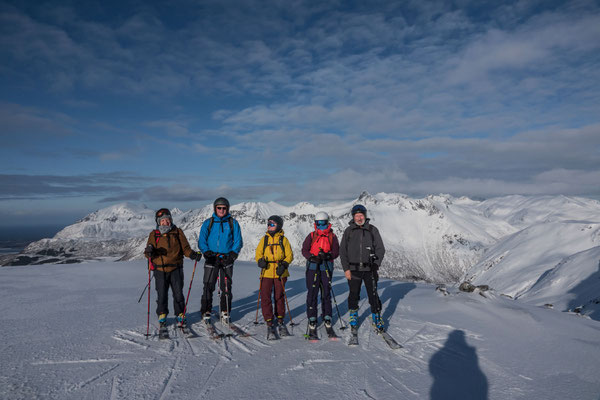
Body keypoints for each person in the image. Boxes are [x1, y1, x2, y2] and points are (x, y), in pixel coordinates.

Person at [144, 208, 201, 330]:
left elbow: (185, 248)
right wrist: (149, 252)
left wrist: (192, 254)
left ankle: (180, 314)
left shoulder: (177, 232)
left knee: (178, 293)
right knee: (162, 294)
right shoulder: (154, 234)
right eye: (163, 220)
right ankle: (162, 315)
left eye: (168, 219)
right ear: (158, 222)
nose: (166, 222)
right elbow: (148, 252)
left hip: (176, 268)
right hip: (160, 270)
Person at [339, 204, 386, 332]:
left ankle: (377, 316)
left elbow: (380, 249)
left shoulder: (372, 230)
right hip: (353, 269)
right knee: (354, 294)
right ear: (353, 217)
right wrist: (346, 269)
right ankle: (353, 315)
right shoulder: (349, 231)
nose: (359, 218)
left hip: (370, 269)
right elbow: (342, 251)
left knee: (373, 294)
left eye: (361, 215)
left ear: (365, 216)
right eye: (356, 216)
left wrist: (376, 264)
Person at [197, 197, 243, 325]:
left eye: (224, 208)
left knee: (226, 287)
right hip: (211, 258)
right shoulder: (208, 223)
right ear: (215, 208)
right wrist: (206, 252)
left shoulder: (233, 223)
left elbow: (238, 240)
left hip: (226, 259)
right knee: (208, 285)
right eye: (219, 208)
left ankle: (225, 310)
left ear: (227, 209)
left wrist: (233, 254)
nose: (221, 210)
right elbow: (202, 240)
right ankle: (206, 310)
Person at [301, 211, 340, 339]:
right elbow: (304, 250)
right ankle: (312, 317)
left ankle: (327, 316)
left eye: (324, 223)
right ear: (315, 224)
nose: (321, 226)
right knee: (312, 292)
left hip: (326, 267)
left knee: (326, 292)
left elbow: (336, 251)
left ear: (327, 223)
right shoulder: (312, 236)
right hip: (313, 267)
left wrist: (328, 255)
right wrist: (312, 258)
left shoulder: (332, 237)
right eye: (319, 223)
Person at [255, 215, 293, 338]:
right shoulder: (264, 239)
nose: (269, 226)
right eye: (268, 224)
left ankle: (280, 318)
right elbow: (258, 253)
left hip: (280, 271)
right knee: (265, 296)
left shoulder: (283, 240)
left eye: (272, 224)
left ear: (278, 226)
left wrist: (284, 265)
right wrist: (260, 261)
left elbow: (289, 255)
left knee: (279, 296)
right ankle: (269, 321)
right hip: (266, 271)